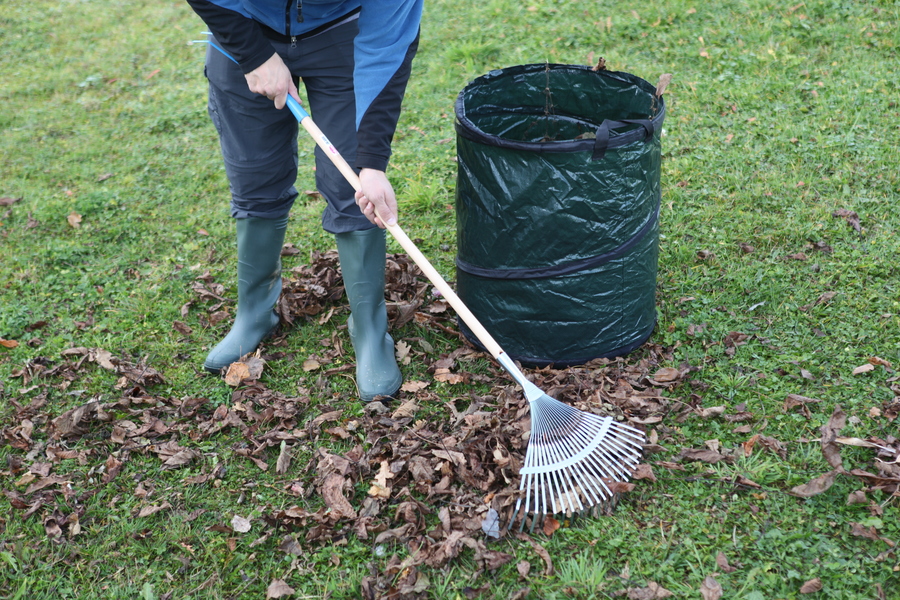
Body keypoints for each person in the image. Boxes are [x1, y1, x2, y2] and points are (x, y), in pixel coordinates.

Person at [186, 0, 422, 401]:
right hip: (245, 24)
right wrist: (254, 54)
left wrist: (371, 163)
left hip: (340, 34)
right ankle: (254, 314)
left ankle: (369, 330)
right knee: (254, 176)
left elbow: (387, 45)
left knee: (353, 187)